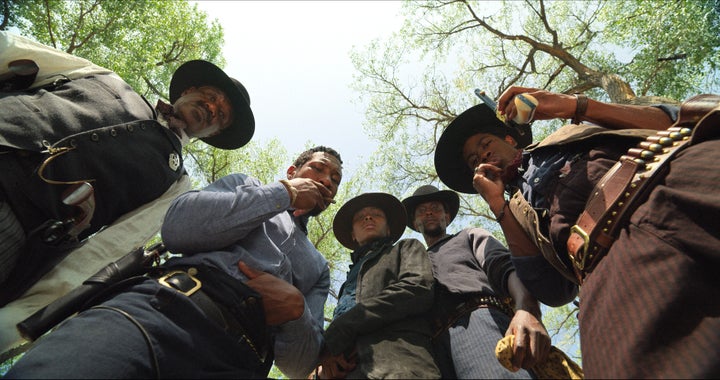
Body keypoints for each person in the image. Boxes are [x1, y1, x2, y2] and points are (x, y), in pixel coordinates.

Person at [433, 86, 720, 378]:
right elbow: (552, 289)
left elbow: (674, 121)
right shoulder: (514, 213)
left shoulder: (571, 134)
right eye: (473, 160)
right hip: (612, 271)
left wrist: (574, 106)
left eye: (485, 143)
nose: (482, 154)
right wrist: (499, 206)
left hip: (678, 180)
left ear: (509, 138)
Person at [0, 31, 255, 351]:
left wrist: (20, 319)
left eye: (221, 116)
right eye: (211, 95)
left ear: (212, 132)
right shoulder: (101, 76)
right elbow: (12, 51)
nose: (213, 107)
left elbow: (103, 253)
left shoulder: (176, 186)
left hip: (14, 226)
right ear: (189, 91)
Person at [5, 145, 344, 378]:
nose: (326, 181)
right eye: (318, 168)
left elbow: (300, 366)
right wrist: (282, 194)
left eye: (334, 180)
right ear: (293, 169)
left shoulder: (317, 268)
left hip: (241, 361)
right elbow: (178, 229)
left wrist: (297, 311)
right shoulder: (245, 185)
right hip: (161, 308)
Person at [401, 184, 550, 379]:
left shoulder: (470, 235)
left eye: (435, 208)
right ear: (415, 221)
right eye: (422, 211)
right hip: (431, 353)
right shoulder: (409, 263)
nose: (429, 212)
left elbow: (503, 266)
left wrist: (526, 308)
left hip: (479, 323)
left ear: (446, 216)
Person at [318, 192, 441, 379]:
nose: (367, 217)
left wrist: (343, 327)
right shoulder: (347, 282)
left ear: (389, 229)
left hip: (399, 365)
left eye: (376, 214)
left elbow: (417, 288)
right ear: (352, 234)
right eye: (360, 217)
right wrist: (327, 358)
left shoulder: (406, 248)